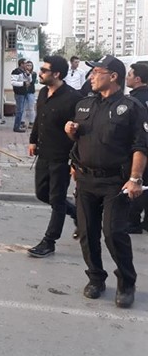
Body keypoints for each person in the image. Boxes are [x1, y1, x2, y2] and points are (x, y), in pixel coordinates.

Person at [65, 55, 147, 308]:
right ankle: (95, 278)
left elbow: (140, 146)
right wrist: (71, 135)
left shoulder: (131, 107)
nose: (91, 77)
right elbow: (83, 140)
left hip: (116, 182)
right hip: (85, 179)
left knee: (113, 233)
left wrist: (135, 179)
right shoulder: (84, 105)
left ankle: (126, 282)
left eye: (96, 72)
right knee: (87, 233)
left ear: (113, 76)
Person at [27, 56, 82, 258]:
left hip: (62, 157)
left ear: (56, 74)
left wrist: (75, 161)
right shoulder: (43, 92)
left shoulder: (73, 98)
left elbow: (78, 132)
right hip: (43, 153)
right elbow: (39, 119)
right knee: (42, 194)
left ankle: (49, 242)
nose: (39, 73)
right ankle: (76, 213)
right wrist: (33, 140)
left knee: (57, 199)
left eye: (44, 70)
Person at [126, 63, 148, 234]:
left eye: (130, 75)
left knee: (137, 182)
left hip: (139, 147)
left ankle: (133, 221)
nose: (127, 78)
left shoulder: (134, 101)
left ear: (138, 79)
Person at [10, 58, 29, 132]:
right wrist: (23, 83)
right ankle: (16, 127)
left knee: (21, 110)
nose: (27, 65)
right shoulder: (16, 71)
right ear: (21, 64)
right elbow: (13, 82)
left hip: (24, 92)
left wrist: (28, 74)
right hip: (19, 93)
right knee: (19, 111)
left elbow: (29, 80)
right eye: (25, 64)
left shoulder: (24, 72)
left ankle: (18, 125)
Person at [23, 60, 37, 128]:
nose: (29, 67)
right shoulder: (22, 73)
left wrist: (29, 75)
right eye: (27, 65)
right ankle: (22, 122)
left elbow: (32, 82)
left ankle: (32, 122)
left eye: (30, 65)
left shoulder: (34, 73)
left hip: (31, 92)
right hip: (23, 92)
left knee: (31, 108)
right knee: (23, 108)